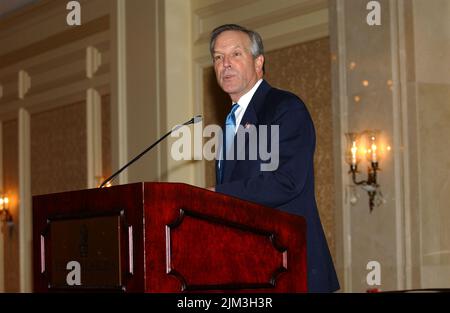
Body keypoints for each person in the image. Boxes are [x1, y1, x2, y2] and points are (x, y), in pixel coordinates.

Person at [208, 24, 340, 292]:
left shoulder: (284, 108)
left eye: (236, 54)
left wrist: (216, 196)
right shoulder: (230, 124)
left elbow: (287, 181)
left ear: (258, 62)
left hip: (287, 266)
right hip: (250, 270)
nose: (226, 64)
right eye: (218, 57)